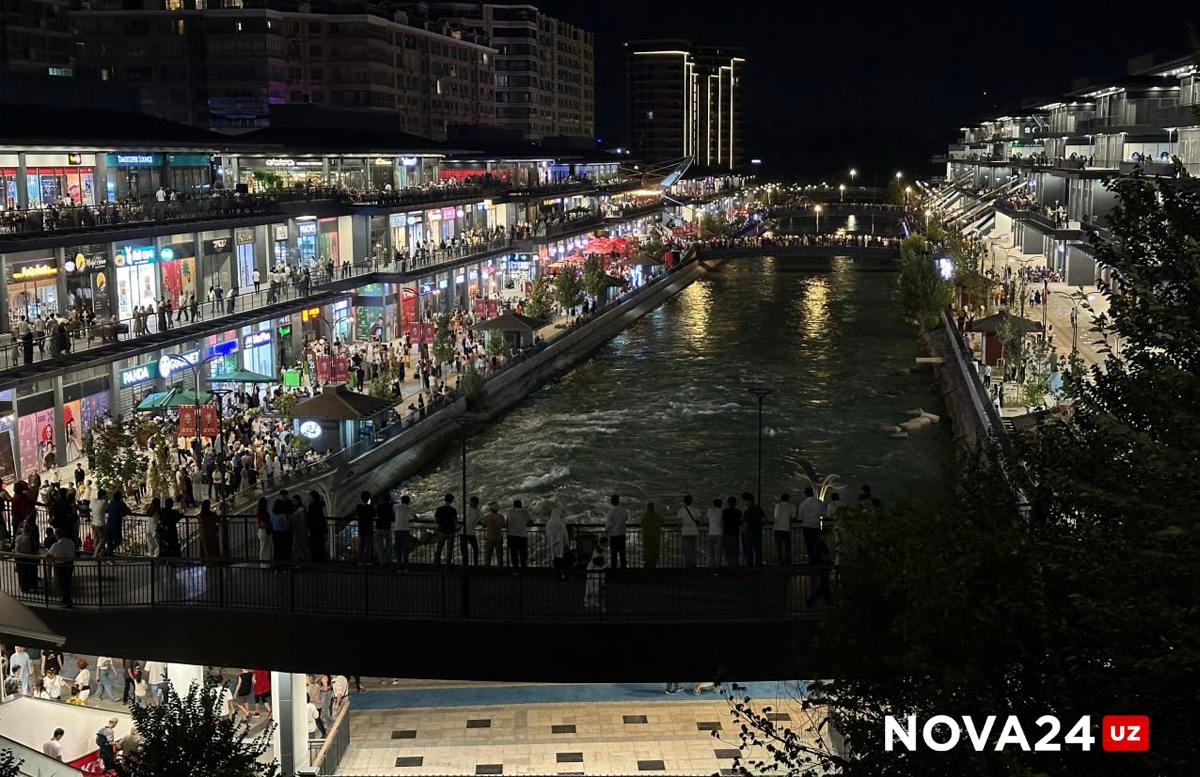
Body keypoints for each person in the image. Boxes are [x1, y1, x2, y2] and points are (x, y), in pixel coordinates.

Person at [45, 529, 75, 606]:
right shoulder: (71, 542)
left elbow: (48, 555)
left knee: (62, 584)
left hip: (60, 565)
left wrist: (53, 561)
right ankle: (66, 600)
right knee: (67, 583)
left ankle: (66, 601)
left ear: (57, 535)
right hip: (69, 564)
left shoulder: (56, 545)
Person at [797, 487, 826, 561]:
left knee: (809, 544)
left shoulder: (803, 504)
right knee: (817, 544)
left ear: (805, 494)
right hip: (816, 525)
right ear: (813, 493)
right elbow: (823, 513)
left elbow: (800, 517)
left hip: (807, 526)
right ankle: (818, 559)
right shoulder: (819, 502)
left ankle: (811, 560)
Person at [604, 494, 628, 569]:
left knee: (613, 555)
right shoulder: (623, 510)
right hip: (622, 535)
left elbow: (608, 526)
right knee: (622, 555)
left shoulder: (610, 512)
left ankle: (614, 572)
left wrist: (606, 532)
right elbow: (626, 519)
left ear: (612, 502)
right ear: (618, 500)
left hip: (613, 536)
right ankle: (624, 571)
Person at [433, 493, 457, 565]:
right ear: (452, 500)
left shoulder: (440, 509)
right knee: (449, 550)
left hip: (442, 531)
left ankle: (436, 564)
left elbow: (436, 519)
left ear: (444, 499)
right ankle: (448, 565)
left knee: (439, 548)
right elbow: (455, 521)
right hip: (451, 531)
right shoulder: (453, 510)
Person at [271, 490, 296, 562]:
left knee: (278, 548)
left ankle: (278, 565)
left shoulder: (274, 512)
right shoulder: (287, 508)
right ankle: (285, 564)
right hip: (285, 530)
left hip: (276, 531)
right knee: (286, 548)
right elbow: (286, 524)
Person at [773, 492, 797, 565]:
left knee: (779, 547)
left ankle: (780, 562)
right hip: (786, 529)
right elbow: (793, 516)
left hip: (777, 528)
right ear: (788, 499)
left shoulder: (778, 506)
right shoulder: (791, 507)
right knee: (787, 547)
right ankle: (788, 562)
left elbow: (775, 516)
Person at [741, 492, 764, 567]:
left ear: (748, 501)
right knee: (758, 552)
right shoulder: (758, 508)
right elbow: (765, 519)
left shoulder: (747, 511)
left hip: (749, 535)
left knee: (749, 553)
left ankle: (750, 569)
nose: (744, 502)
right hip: (758, 533)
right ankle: (758, 567)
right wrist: (760, 526)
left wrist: (743, 533)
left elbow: (745, 524)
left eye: (745, 500)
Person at [506, 499, 530, 567]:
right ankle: (523, 566)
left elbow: (506, 523)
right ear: (521, 505)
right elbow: (530, 522)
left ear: (514, 505)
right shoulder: (525, 512)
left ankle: (515, 569)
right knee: (523, 552)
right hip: (522, 535)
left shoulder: (510, 512)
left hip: (511, 535)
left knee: (514, 553)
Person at [545, 502, 568, 573]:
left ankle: (555, 573)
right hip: (560, 543)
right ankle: (561, 573)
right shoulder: (561, 523)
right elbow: (565, 534)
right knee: (560, 557)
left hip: (552, 544)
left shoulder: (549, 523)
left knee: (554, 557)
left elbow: (547, 534)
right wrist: (567, 544)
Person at [105, 490, 130, 556]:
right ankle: (106, 552)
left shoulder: (111, 503)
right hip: (116, 525)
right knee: (118, 541)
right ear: (120, 497)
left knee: (109, 542)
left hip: (108, 524)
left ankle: (109, 556)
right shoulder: (121, 504)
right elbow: (128, 511)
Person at [677, 495, 699, 568]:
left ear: (684, 501)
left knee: (686, 551)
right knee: (694, 551)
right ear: (691, 501)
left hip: (685, 532)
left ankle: (688, 566)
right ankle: (694, 565)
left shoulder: (681, 510)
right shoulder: (696, 509)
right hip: (694, 532)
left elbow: (680, 523)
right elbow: (701, 521)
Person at [640, 501, 664, 568]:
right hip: (655, 538)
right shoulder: (658, 516)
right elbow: (663, 522)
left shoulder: (645, 516)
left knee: (647, 555)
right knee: (654, 556)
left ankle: (647, 569)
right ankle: (653, 569)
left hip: (647, 539)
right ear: (654, 508)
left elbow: (642, 525)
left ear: (647, 508)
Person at [306, 492, 328, 562]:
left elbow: (309, 516)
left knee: (314, 542)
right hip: (320, 526)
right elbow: (323, 515)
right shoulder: (321, 504)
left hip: (314, 526)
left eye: (310, 497)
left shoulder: (311, 506)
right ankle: (321, 557)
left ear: (313, 497)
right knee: (320, 542)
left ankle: (315, 557)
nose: (309, 498)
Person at [460, 495, 481, 566]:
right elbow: (481, 521)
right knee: (474, 549)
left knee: (466, 550)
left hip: (465, 531)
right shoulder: (479, 512)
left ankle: (467, 565)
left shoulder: (468, 510)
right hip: (469, 531)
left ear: (474, 503)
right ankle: (473, 564)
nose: (470, 503)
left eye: (471, 502)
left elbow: (463, 519)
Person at [721, 496, 742, 568]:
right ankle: (735, 565)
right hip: (735, 532)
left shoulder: (725, 511)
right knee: (735, 551)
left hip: (726, 532)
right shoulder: (738, 512)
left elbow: (723, 522)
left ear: (728, 503)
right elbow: (740, 522)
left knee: (728, 551)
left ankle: (729, 565)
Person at [354, 491, 375, 563]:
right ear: (368, 498)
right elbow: (374, 514)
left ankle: (360, 560)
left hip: (361, 528)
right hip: (369, 528)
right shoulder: (370, 508)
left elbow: (357, 514)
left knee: (361, 546)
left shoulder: (359, 507)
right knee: (368, 546)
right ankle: (368, 561)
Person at [393, 494, 414, 567]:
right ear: (408, 501)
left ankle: (398, 566)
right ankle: (405, 567)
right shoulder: (408, 508)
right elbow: (412, 516)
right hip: (405, 529)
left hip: (397, 530)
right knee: (405, 549)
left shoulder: (396, 507)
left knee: (398, 549)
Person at [373, 491, 394, 563]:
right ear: (389, 499)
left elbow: (375, 513)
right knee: (389, 544)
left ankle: (381, 561)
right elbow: (392, 517)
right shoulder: (389, 506)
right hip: (386, 527)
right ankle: (388, 559)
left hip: (378, 527)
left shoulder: (378, 506)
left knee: (379, 546)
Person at [482, 501, 504, 566]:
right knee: (499, 555)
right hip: (498, 538)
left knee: (488, 555)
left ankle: (487, 569)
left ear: (490, 509)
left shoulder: (487, 516)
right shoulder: (501, 517)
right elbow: (503, 525)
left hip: (490, 538)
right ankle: (500, 569)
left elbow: (483, 525)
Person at [706, 498, 724, 567]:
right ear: (721, 504)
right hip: (720, 533)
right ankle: (718, 566)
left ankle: (711, 566)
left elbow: (707, 520)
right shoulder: (722, 511)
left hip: (711, 533)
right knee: (719, 552)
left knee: (711, 552)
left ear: (714, 504)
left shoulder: (710, 510)